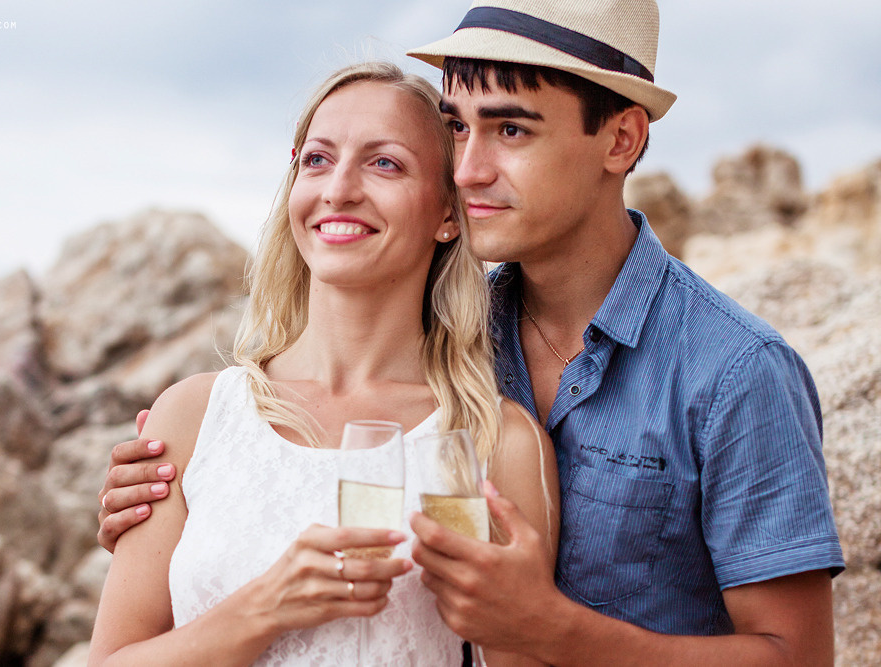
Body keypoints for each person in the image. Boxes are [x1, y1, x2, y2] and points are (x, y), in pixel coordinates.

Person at [98, 0, 845, 664]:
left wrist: (551, 628)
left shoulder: (736, 372)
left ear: (620, 141)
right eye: (457, 129)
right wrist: (187, 488)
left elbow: (797, 657)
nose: (467, 168)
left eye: (511, 128)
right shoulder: (445, 336)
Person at [88, 61, 555, 667]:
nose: (338, 189)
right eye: (317, 159)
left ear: (447, 212)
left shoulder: (486, 442)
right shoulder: (194, 417)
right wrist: (264, 608)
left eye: (383, 162)